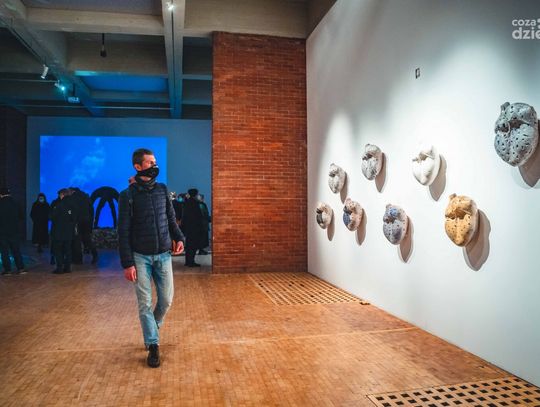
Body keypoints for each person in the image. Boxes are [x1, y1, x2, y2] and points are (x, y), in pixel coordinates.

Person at [118, 148, 184, 368]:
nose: (154, 166)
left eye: (155, 162)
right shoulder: (127, 196)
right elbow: (123, 231)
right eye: (149, 163)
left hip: (163, 254)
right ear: (137, 167)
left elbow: (171, 218)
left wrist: (179, 237)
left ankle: (152, 328)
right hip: (140, 257)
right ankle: (153, 344)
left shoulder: (162, 189)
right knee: (144, 303)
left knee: (166, 300)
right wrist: (127, 263)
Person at [50, 188, 77, 274]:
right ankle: (68, 268)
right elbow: (74, 218)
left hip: (58, 232)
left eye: (60, 195)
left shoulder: (59, 205)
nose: (59, 196)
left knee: (58, 250)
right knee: (68, 250)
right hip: (69, 232)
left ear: (62, 194)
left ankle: (59, 268)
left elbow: (52, 217)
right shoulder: (73, 205)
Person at [0, 187, 25, 275]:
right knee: (16, 250)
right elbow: (21, 217)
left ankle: (8, 270)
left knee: (4, 252)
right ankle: (21, 268)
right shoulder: (16, 203)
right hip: (15, 231)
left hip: (2, 232)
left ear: (1, 194)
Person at [70, 187, 98, 264]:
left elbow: (72, 210)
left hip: (77, 221)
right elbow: (91, 210)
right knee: (87, 239)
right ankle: (95, 254)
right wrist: (91, 221)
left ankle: (78, 260)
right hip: (87, 221)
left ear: (73, 191)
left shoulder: (73, 198)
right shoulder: (86, 197)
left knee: (77, 240)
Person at [182, 188, 205, 267]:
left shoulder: (187, 203)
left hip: (188, 228)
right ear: (195, 194)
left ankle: (187, 261)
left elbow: (184, 216)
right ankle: (191, 262)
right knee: (193, 245)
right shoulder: (195, 203)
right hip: (195, 228)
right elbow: (198, 216)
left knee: (189, 245)